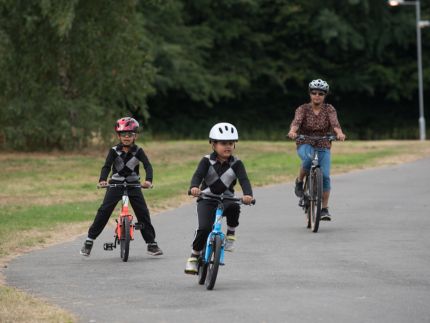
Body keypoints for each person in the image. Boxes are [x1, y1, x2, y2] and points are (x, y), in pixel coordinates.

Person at [80, 117, 163, 257]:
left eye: (130, 134)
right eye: (123, 134)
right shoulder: (113, 151)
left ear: (135, 136)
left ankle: (151, 244)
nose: (126, 137)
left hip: (133, 185)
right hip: (115, 185)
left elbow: (147, 166)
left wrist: (148, 180)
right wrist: (102, 180)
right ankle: (89, 241)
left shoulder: (139, 151)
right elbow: (106, 166)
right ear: (118, 136)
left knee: (143, 212)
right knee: (104, 211)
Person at [184, 122, 254, 274]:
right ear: (213, 144)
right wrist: (194, 187)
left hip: (227, 199)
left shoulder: (237, 163)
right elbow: (198, 175)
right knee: (204, 228)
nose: (228, 146)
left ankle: (231, 234)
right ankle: (194, 256)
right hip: (207, 199)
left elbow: (244, 180)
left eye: (231, 143)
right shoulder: (206, 161)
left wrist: (248, 194)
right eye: (223, 143)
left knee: (236, 207)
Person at [287, 79, 346, 221]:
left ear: (325, 95)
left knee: (325, 176)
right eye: (314, 93)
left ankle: (324, 209)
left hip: (323, 144)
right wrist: (293, 132)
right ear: (310, 94)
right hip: (304, 142)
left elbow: (335, 123)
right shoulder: (303, 109)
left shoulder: (329, 109)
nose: (317, 96)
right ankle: (300, 181)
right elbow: (296, 122)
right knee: (307, 159)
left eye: (320, 93)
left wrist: (339, 133)